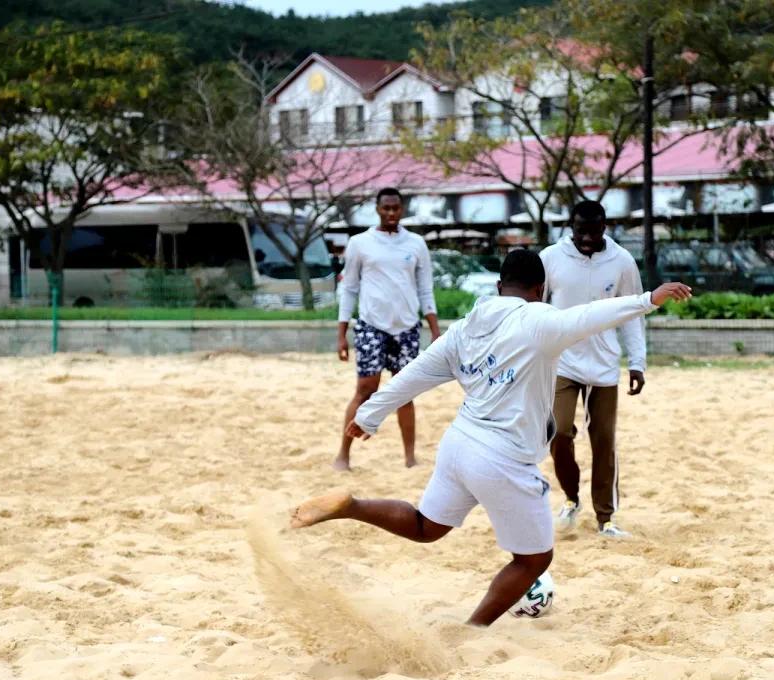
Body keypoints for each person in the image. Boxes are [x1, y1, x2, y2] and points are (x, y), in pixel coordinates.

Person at [290, 250, 692, 626]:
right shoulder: (538, 320)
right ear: (540, 290)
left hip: (459, 444)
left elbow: (416, 373)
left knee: (426, 526)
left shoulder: (464, 329)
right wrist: (647, 299)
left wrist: (369, 414)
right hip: (502, 459)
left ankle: (352, 506)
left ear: (499, 285)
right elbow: (589, 316)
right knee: (535, 558)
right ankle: (474, 628)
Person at [539, 200, 645, 538]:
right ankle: (571, 499)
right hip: (562, 361)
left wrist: (637, 362)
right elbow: (536, 309)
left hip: (604, 365)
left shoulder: (622, 262)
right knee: (558, 433)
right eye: (580, 230)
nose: (586, 237)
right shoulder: (551, 258)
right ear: (571, 226)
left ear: (605, 226)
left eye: (593, 230)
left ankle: (606, 518)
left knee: (603, 441)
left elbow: (632, 313)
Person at [333, 187, 441, 471]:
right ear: (377, 209)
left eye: (396, 208)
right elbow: (349, 289)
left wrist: (435, 330)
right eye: (386, 208)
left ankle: (410, 457)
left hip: (407, 329)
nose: (391, 213)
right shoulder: (359, 243)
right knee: (366, 389)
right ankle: (343, 455)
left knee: (405, 391)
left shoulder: (416, 244)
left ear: (402, 209)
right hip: (371, 327)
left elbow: (425, 289)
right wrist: (341, 334)